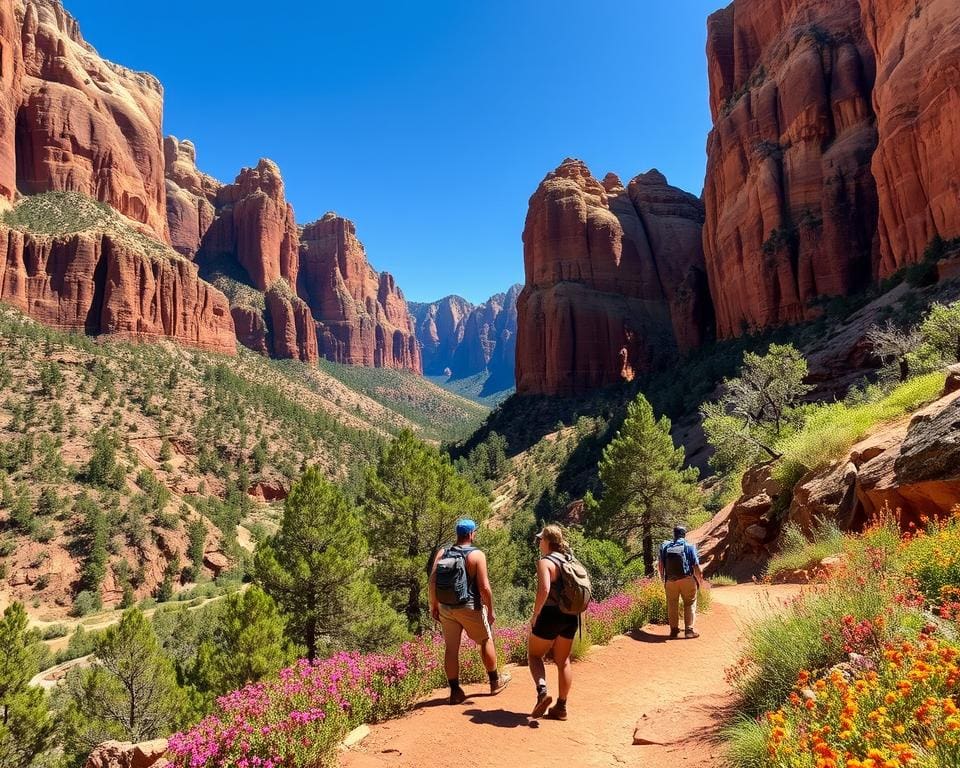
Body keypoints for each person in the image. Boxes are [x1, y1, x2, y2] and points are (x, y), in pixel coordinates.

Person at [428, 518, 511, 704]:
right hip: (469, 606)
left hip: (446, 608)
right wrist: (490, 610)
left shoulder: (443, 552)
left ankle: (455, 691)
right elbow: (485, 587)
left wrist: (433, 605)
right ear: (472, 534)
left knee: (451, 649)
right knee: (484, 640)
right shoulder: (477, 555)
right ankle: (494, 681)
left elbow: (432, 581)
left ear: (457, 534)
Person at [527, 524, 577, 721]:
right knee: (563, 661)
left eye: (541, 539)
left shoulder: (545, 562)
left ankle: (542, 692)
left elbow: (545, 590)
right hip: (570, 616)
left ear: (547, 542)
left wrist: (535, 614)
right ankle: (561, 707)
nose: (539, 542)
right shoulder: (569, 560)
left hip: (550, 614)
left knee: (534, 655)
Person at [657, 525, 706, 638]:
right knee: (690, 603)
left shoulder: (666, 547)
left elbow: (661, 565)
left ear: (674, 534)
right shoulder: (689, 546)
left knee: (672, 604)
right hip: (687, 579)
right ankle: (689, 631)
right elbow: (696, 566)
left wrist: (663, 579)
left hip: (670, 580)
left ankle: (674, 630)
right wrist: (700, 580)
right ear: (684, 534)